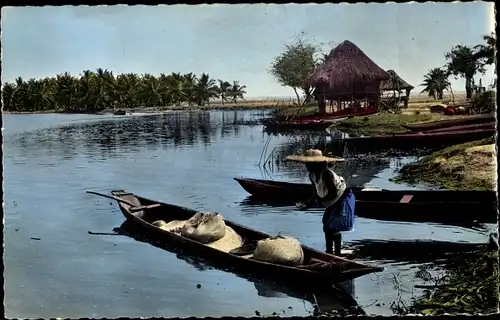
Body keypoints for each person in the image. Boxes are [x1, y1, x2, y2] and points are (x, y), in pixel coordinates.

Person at [285, 149, 355, 256]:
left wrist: (320, 201)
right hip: (331, 200)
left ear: (317, 164)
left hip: (342, 197)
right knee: (326, 224)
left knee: (333, 225)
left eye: (309, 164)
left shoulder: (326, 174)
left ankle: (337, 252)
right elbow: (316, 191)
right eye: (307, 163)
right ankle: (329, 251)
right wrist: (308, 203)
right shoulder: (312, 175)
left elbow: (332, 193)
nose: (307, 166)